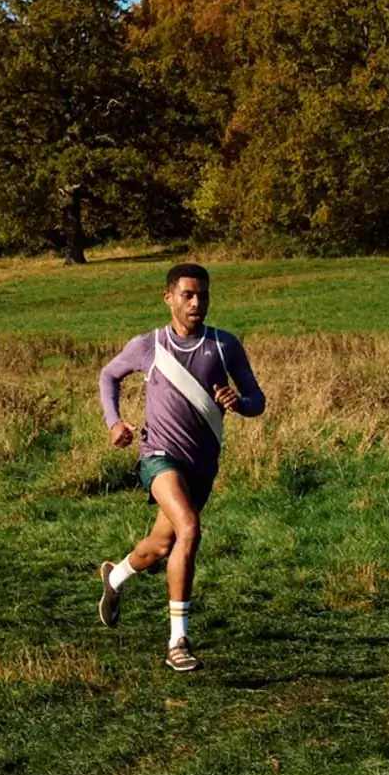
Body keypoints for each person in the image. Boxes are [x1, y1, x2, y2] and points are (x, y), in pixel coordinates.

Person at [96, 262, 265, 672]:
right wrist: (114, 422)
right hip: (158, 457)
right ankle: (178, 640)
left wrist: (237, 403)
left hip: (202, 465)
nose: (196, 303)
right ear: (168, 297)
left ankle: (115, 579)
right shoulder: (149, 345)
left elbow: (257, 401)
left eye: (202, 295)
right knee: (189, 528)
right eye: (187, 295)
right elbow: (109, 376)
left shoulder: (225, 346)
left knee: (162, 545)